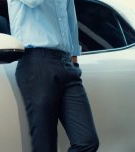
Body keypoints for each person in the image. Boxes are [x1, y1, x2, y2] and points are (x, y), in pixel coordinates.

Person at [7, 0, 100, 151]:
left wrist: (74, 58)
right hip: (37, 63)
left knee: (87, 142)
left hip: (66, 64)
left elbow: (70, 17)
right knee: (45, 146)